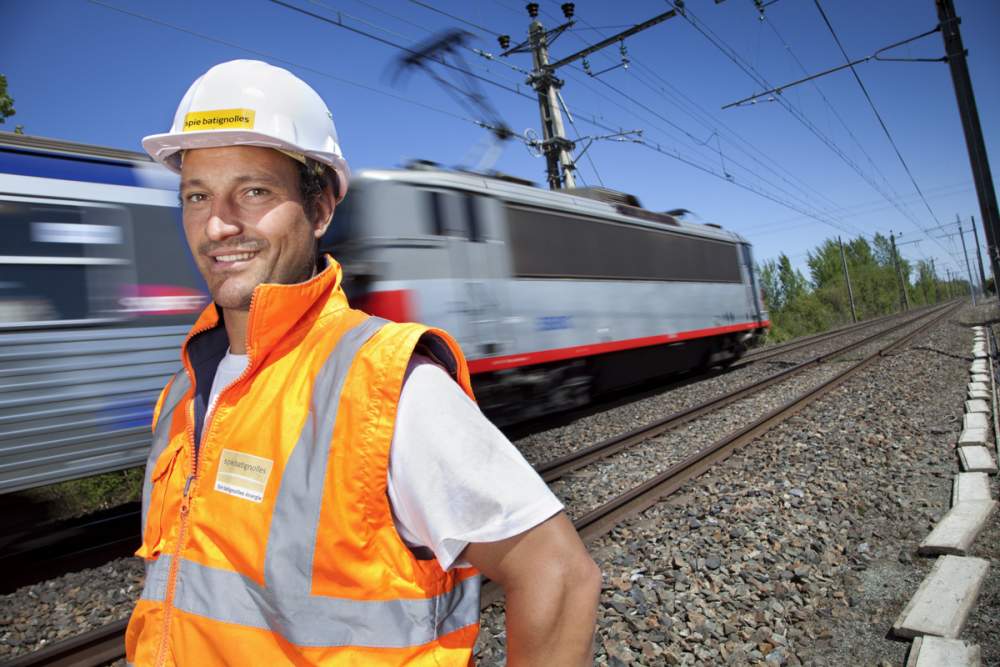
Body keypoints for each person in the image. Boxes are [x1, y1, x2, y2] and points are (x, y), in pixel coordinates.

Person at [126, 59, 601, 666]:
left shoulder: (384, 384)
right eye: (197, 195)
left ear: (320, 210)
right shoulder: (181, 395)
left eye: (254, 191)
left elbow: (559, 575)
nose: (218, 224)